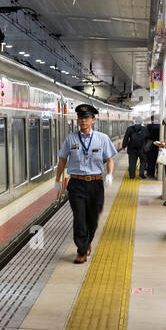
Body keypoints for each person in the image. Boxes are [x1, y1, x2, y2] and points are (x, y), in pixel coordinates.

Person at [54, 104, 117, 263]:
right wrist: (57, 180)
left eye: (87, 118)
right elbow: (62, 160)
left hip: (95, 184)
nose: (83, 121)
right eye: (81, 118)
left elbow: (109, 159)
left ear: (93, 120)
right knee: (79, 217)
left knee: (92, 219)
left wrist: (109, 174)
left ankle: (87, 240)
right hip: (76, 183)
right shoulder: (70, 139)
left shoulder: (102, 138)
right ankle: (81, 251)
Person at [141, 116, 161, 181]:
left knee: (151, 161)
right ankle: (158, 173)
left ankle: (150, 174)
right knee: (158, 161)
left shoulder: (149, 126)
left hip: (151, 146)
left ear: (152, 119)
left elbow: (147, 136)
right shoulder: (161, 126)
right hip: (160, 146)